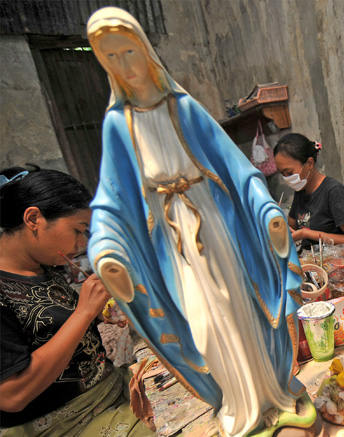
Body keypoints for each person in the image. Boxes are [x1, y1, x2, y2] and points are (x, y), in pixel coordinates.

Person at [86, 7, 313, 437]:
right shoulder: (119, 124)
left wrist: (267, 213)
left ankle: (273, 392)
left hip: (217, 228)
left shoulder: (183, 108)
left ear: (146, 51)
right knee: (205, 324)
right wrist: (107, 250)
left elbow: (238, 169)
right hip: (174, 244)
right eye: (111, 58)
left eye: (128, 52)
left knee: (242, 308)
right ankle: (238, 401)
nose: (124, 65)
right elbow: (109, 202)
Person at [0, 167, 152, 436]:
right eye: (78, 231)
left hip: (109, 389)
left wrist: (96, 313)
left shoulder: (43, 265)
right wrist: (83, 313)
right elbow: (12, 396)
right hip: (66, 424)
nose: (82, 243)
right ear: (34, 218)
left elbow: (50, 327)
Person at [274, 133, 344, 249]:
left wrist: (306, 233)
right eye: (282, 174)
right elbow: (292, 227)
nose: (287, 178)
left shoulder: (334, 192)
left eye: (290, 173)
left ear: (310, 163)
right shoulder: (300, 191)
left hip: (338, 261)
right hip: (311, 261)